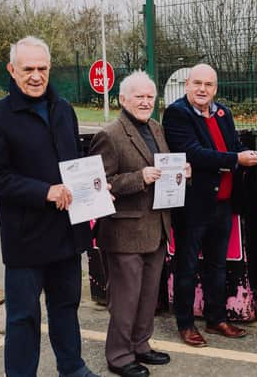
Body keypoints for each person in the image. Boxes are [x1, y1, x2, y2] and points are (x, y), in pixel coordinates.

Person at [0, 36, 99, 377]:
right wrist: (44, 191)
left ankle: (73, 368)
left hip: (67, 234)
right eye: (28, 69)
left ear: (49, 68)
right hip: (25, 238)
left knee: (66, 308)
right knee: (24, 318)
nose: (36, 75)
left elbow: (76, 162)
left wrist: (96, 189)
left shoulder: (64, 110)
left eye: (42, 68)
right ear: (12, 70)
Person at [162, 63, 257, 347]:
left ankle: (217, 319)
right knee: (187, 266)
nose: (203, 90)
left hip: (223, 202)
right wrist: (235, 160)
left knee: (218, 265)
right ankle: (186, 324)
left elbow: (234, 146)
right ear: (187, 85)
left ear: (216, 88)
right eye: (197, 84)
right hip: (193, 204)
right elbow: (193, 153)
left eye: (209, 85)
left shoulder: (223, 112)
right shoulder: (177, 114)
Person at [90, 71, 187, 377]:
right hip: (123, 231)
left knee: (148, 295)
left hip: (156, 227)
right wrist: (138, 178)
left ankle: (141, 346)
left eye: (150, 97)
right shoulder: (109, 134)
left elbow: (163, 168)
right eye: (139, 97)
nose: (146, 102)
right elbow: (99, 184)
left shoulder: (156, 128)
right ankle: (119, 356)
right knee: (125, 297)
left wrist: (180, 172)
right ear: (123, 100)